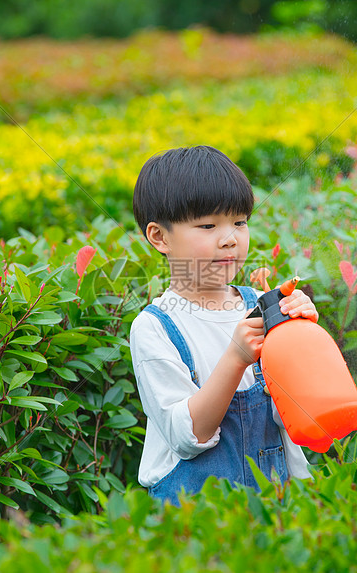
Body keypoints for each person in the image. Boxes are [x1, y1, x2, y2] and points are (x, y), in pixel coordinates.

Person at [129, 145, 317, 506]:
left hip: (279, 502)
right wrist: (235, 358)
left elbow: (298, 416)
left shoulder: (262, 306)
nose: (230, 237)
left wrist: (302, 337)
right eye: (208, 225)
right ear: (160, 237)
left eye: (240, 222)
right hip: (196, 515)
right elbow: (188, 435)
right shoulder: (156, 327)